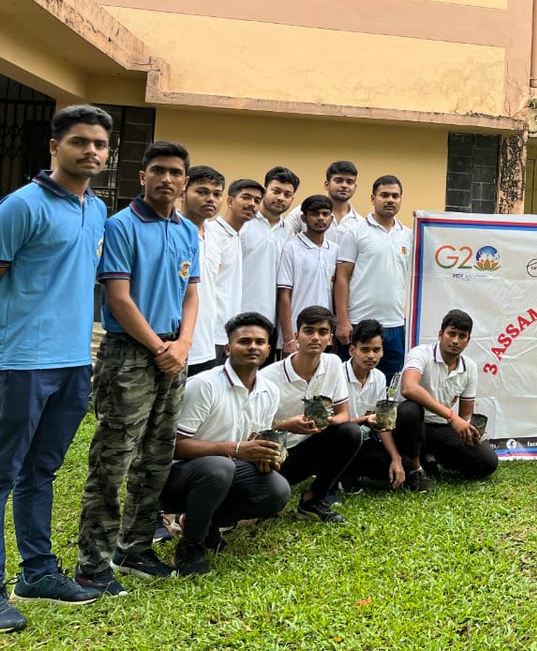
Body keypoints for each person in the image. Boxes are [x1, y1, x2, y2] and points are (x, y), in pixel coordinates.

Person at [0, 105, 113, 627]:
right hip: (20, 362)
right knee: (2, 473)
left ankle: (37, 572)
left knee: (40, 470)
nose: (91, 150)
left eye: (99, 144)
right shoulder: (20, 206)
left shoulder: (97, 209)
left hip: (74, 362)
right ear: (54, 147)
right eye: (80, 142)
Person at [76, 140, 200, 594]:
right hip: (130, 353)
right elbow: (118, 297)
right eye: (158, 170)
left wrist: (183, 343)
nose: (167, 179)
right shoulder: (122, 226)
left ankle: (135, 546)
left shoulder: (188, 230)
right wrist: (159, 347)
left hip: (173, 354)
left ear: (184, 181)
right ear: (142, 176)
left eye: (175, 172)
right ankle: (93, 563)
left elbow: (191, 292)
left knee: (155, 457)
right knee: (113, 458)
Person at [159, 313, 291, 576]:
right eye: (244, 341)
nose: (253, 346)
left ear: (267, 349)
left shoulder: (269, 390)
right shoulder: (204, 385)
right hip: (178, 478)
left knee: (278, 490)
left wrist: (266, 458)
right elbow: (174, 446)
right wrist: (236, 449)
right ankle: (190, 547)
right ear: (228, 348)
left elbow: (254, 441)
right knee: (220, 467)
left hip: (226, 470)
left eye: (260, 342)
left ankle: (205, 525)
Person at [260, 305, 363, 523]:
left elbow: (344, 414)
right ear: (297, 336)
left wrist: (327, 422)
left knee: (351, 432)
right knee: (266, 500)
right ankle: (266, 498)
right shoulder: (268, 377)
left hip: (311, 447)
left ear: (330, 339)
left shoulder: (333, 363)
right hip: (274, 456)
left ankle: (313, 499)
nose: (315, 337)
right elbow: (253, 430)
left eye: (323, 332)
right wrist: (287, 424)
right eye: (309, 331)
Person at [394, 309, 498, 485]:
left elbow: (465, 414)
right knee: (409, 409)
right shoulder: (421, 353)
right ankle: (415, 468)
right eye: (451, 334)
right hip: (411, 426)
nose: (456, 341)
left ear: (468, 341)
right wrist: (451, 416)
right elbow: (408, 388)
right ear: (441, 335)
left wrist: (467, 431)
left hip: (441, 427)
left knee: (488, 462)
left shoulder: (469, 367)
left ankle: (431, 459)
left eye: (462, 336)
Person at [333, 176, 412, 379]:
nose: (390, 200)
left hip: (394, 324)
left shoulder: (409, 235)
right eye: (384, 195)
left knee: (389, 389)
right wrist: (342, 321)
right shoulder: (356, 232)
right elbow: (342, 277)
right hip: (358, 322)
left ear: (401, 199)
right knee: (350, 384)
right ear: (373, 198)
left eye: (395, 196)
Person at [340, 320, 406, 491]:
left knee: (398, 463)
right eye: (365, 350)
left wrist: (396, 458)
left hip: (364, 440)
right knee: (348, 432)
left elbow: (382, 424)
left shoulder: (379, 377)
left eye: (376, 350)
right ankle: (338, 475)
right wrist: (366, 420)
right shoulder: (337, 375)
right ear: (352, 350)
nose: (371, 356)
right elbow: (332, 423)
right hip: (337, 440)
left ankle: (349, 471)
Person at [206, 180, 263, 363]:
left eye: (257, 200)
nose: (252, 204)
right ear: (230, 201)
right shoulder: (212, 234)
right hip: (209, 334)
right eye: (246, 197)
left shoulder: (237, 235)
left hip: (228, 333)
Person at [241, 166, 299, 345]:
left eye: (287, 194)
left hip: (270, 322)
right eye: (276, 191)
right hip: (238, 315)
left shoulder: (289, 233)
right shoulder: (244, 224)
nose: (281, 198)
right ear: (265, 190)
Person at [277, 195, 339, 356]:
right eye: (314, 214)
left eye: (325, 214)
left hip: (325, 335)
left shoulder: (335, 250)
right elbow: (284, 295)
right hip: (298, 334)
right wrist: (289, 338)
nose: (320, 218)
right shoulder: (291, 248)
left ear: (331, 218)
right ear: (304, 217)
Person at [179, 166, 226, 376]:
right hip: (175, 342)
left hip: (207, 343)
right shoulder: (172, 230)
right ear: (183, 191)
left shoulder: (215, 237)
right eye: (202, 192)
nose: (211, 199)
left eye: (217, 194)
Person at [287, 160, 362, 246]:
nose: (344, 186)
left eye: (349, 182)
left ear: (355, 187)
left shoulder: (360, 223)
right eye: (338, 181)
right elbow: (283, 235)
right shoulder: (304, 211)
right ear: (327, 184)